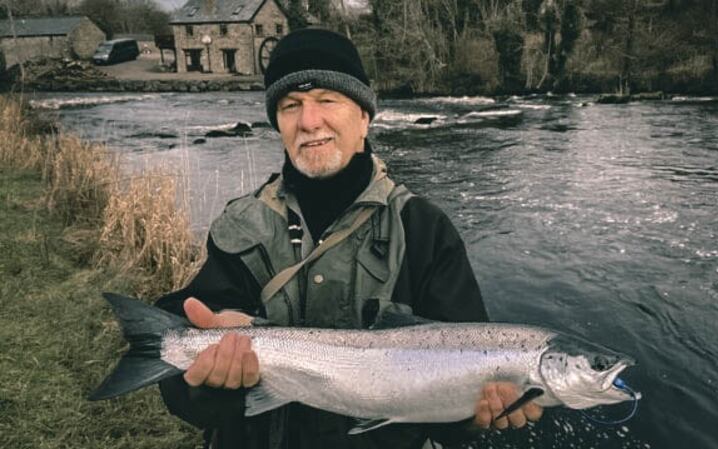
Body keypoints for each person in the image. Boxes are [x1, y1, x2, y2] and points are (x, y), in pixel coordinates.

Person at [155, 28, 542, 449]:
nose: (308, 121)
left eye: (327, 100)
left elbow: (451, 420)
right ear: (278, 124)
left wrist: (476, 415)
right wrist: (209, 383)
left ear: (364, 116)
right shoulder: (242, 223)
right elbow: (187, 399)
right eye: (290, 106)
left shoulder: (424, 230)